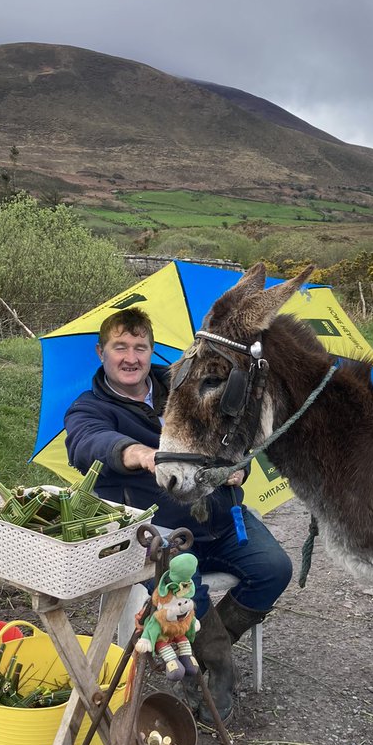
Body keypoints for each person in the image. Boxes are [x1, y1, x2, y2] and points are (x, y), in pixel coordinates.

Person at [64, 307, 293, 723]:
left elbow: (233, 433)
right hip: (158, 534)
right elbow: (88, 443)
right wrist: (139, 454)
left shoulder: (185, 385)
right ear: (102, 352)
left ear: (152, 351)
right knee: (184, 588)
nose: (131, 357)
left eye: (140, 347)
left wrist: (240, 466)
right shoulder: (89, 408)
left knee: (275, 568)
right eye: (120, 347)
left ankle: (203, 645)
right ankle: (217, 668)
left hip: (222, 521)